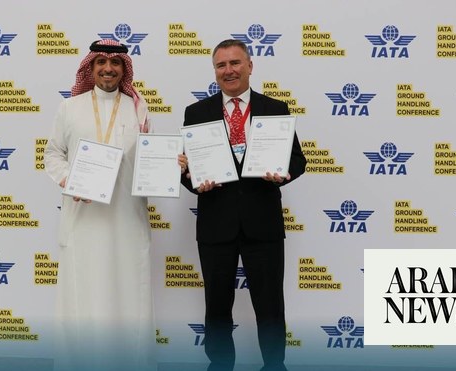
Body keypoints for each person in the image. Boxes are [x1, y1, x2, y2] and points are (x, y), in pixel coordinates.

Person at [180, 39, 307, 371]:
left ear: (250, 66)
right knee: (217, 307)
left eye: (235, 63)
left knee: (270, 307)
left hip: (261, 223)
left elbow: (298, 160)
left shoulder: (275, 108)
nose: (229, 71)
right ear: (215, 72)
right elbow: (187, 170)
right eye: (221, 66)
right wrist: (194, 179)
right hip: (215, 224)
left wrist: (283, 175)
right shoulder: (197, 112)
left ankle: (275, 365)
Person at [44, 39, 156, 371]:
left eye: (115, 63)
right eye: (101, 62)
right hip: (84, 218)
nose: (108, 68)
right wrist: (69, 180)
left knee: (128, 295)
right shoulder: (70, 108)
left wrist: (168, 164)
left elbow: (149, 159)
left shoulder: (138, 107)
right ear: (90, 68)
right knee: (83, 297)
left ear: (124, 69)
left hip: (126, 220)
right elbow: (53, 155)